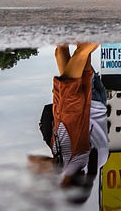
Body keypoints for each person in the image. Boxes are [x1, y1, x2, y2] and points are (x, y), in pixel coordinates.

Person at [30, 42, 109, 201]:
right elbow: (34, 162)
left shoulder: (90, 163)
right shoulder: (66, 168)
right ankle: (109, 28)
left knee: (78, 52)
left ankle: (87, 27)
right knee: (79, 53)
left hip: (86, 106)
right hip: (70, 110)